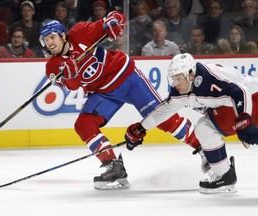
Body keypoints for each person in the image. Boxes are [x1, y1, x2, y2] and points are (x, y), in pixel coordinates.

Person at [39, 11, 205, 190]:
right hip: (103, 92)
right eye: (45, 40)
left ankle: (206, 150)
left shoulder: (80, 32)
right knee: (83, 124)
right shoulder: (53, 67)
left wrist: (112, 23)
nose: (49, 43)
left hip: (126, 77)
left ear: (63, 35)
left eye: (52, 37)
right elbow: (71, 86)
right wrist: (70, 74)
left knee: (163, 119)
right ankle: (113, 166)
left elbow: (115, 17)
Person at [125, 53, 258, 193]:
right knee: (203, 127)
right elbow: (165, 109)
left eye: (178, 78)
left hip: (253, 99)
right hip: (237, 107)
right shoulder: (184, 88)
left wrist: (244, 117)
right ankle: (225, 176)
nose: (175, 83)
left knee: (205, 127)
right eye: (173, 78)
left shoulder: (209, 80)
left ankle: (225, 176)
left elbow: (241, 92)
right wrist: (141, 127)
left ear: (191, 74)